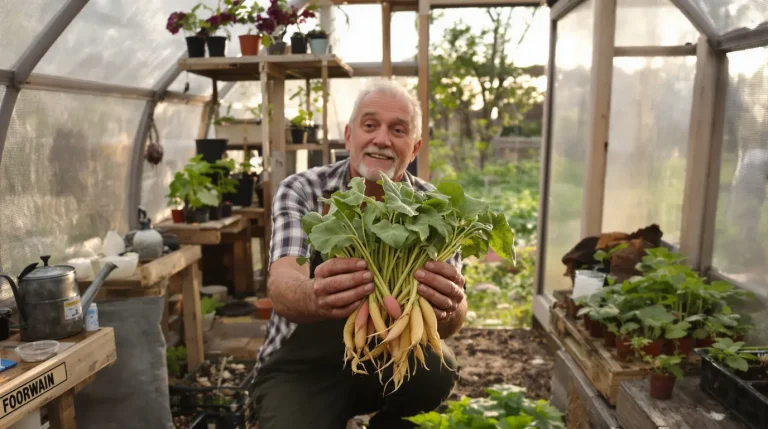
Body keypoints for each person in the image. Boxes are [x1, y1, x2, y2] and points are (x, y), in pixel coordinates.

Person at [252, 79, 467, 429]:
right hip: (304, 369)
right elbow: (282, 283)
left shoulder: (434, 207)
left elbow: (454, 317)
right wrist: (316, 295)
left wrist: (451, 304)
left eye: (398, 130)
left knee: (436, 370)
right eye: (370, 125)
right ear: (349, 136)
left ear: (415, 147)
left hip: (393, 353)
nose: (382, 139)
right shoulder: (304, 190)